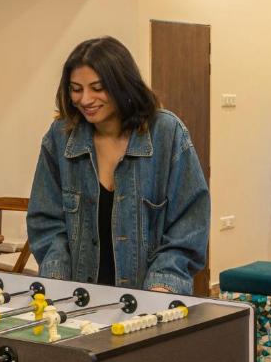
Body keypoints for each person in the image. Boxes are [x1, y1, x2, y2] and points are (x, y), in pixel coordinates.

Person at [27, 36, 209, 294]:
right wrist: (58, 284)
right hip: (77, 305)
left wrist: (162, 285)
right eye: (76, 89)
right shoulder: (59, 138)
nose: (85, 99)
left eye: (97, 87)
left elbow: (189, 226)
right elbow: (45, 222)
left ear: (122, 84)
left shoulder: (167, 133)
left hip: (151, 303)